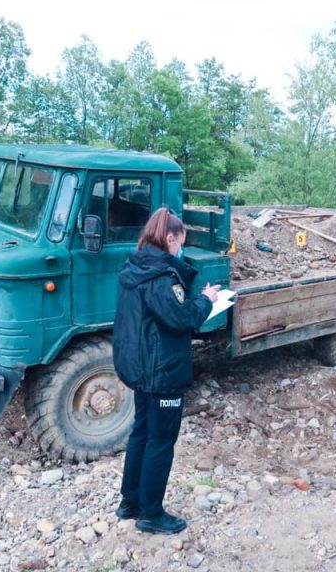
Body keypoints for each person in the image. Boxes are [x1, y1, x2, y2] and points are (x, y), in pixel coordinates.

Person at [112, 207, 220, 535]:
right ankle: (152, 513)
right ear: (170, 239)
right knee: (160, 441)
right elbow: (182, 318)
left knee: (142, 433)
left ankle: (130, 502)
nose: (180, 251)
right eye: (180, 244)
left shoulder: (136, 266)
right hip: (162, 371)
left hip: (140, 367)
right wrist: (207, 300)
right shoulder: (161, 278)